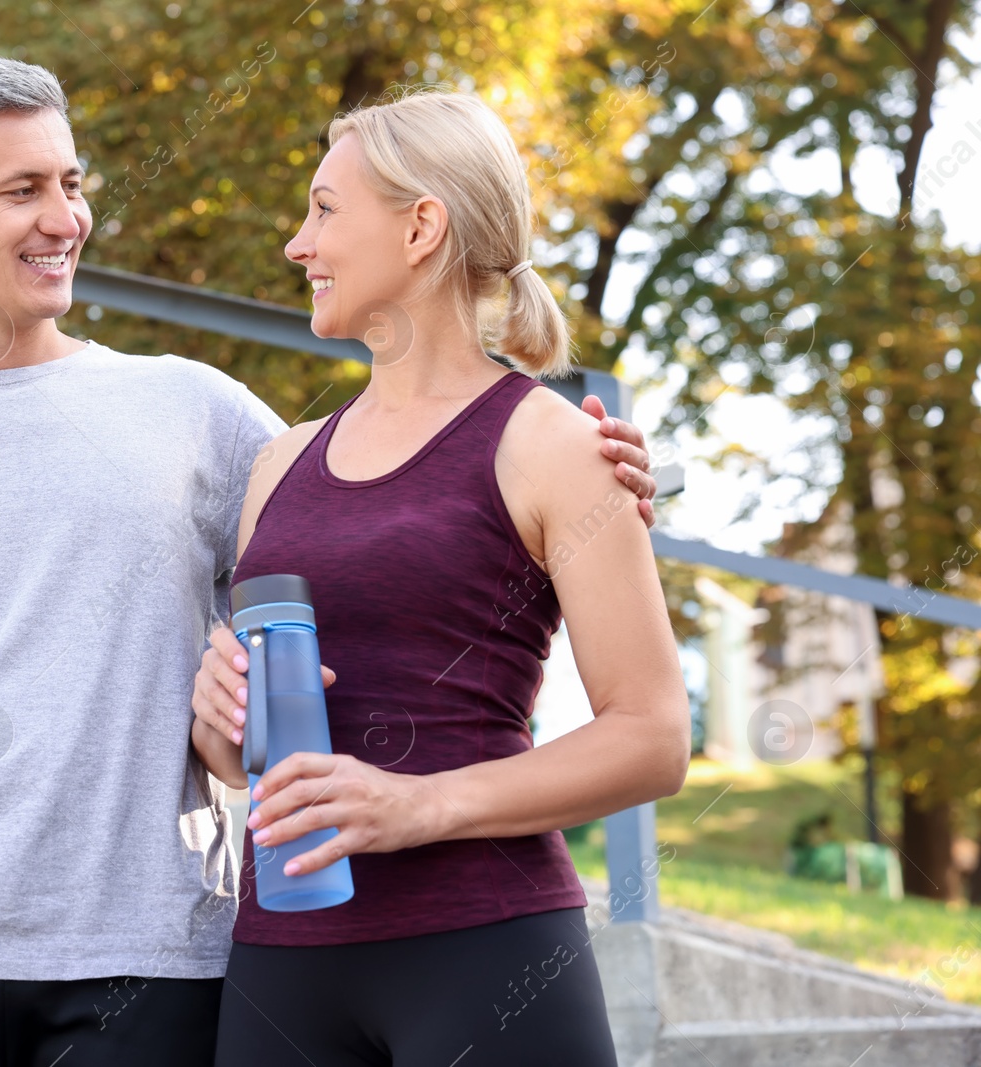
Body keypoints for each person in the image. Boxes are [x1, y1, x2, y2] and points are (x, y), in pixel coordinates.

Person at [0, 57, 662, 1066]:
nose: (64, 217)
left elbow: (407, 503)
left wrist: (614, 477)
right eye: (23, 189)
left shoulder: (200, 416)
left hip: (153, 968)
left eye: (72, 184)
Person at [190, 87, 691, 1067]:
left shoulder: (557, 444)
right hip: (281, 960)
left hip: (485, 952)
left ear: (421, 226)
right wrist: (216, 717)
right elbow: (239, 756)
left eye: (325, 210)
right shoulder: (276, 466)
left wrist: (417, 805)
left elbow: (654, 736)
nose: (298, 244)